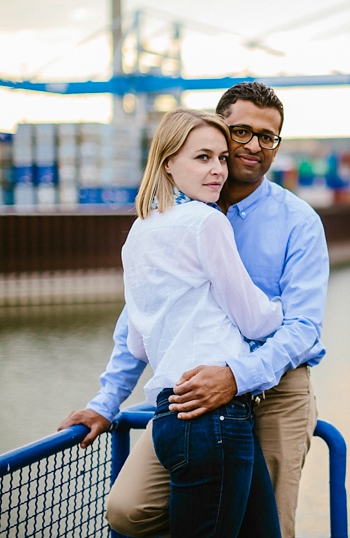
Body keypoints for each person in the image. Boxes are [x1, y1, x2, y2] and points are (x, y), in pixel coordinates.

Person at [58, 82, 329, 538]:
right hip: (193, 395)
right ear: (221, 131)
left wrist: (236, 376)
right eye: (240, 132)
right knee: (128, 510)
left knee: (271, 528)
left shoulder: (299, 221)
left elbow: (302, 328)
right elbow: (143, 315)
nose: (252, 146)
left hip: (278, 387)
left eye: (268, 137)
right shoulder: (181, 217)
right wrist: (106, 401)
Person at [123, 108, 282, 537]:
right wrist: (282, 306)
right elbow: (255, 321)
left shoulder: (138, 232)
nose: (217, 171)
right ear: (168, 162)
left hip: (172, 417)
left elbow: (139, 346)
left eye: (221, 159)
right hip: (216, 417)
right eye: (202, 158)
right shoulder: (207, 222)